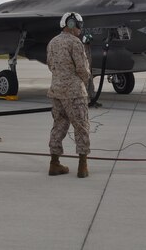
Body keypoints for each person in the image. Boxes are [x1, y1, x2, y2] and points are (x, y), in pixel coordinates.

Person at [46, 12, 91, 178]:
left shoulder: (52, 42)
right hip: (74, 93)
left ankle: (54, 163)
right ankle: (82, 166)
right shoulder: (75, 43)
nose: (80, 29)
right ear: (72, 25)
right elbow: (82, 69)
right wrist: (85, 80)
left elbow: (50, 65)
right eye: (79, 25)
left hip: (56, 91)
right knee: (81, 127)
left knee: (59, 125)